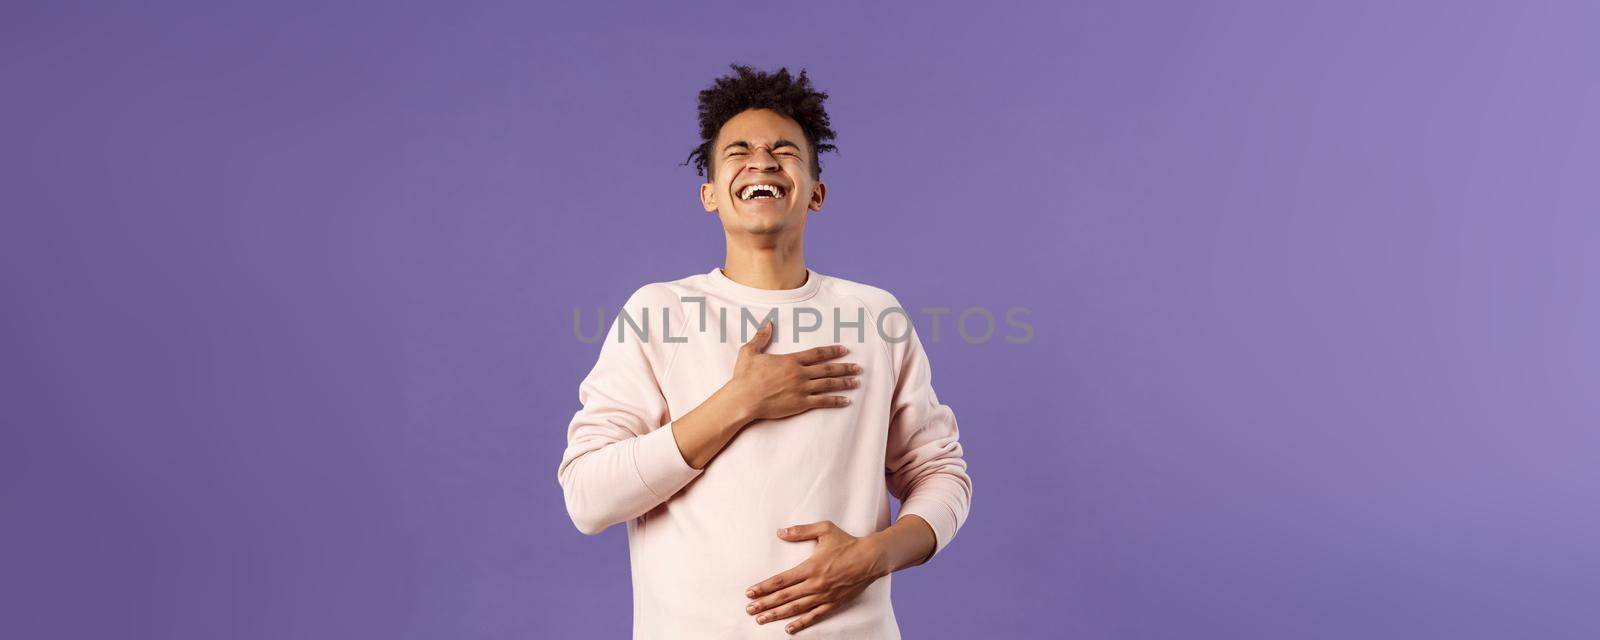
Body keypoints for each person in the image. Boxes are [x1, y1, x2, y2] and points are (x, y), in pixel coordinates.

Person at [557, 63, 973, 639]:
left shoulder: (876, 316)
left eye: (785, 150)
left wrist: (874, 555)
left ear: (816, 193)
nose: (762, 161)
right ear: (708, 194)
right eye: (739, 151)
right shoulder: (659, 313)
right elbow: (587, 497)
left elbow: (940, 472)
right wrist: (739, 401)